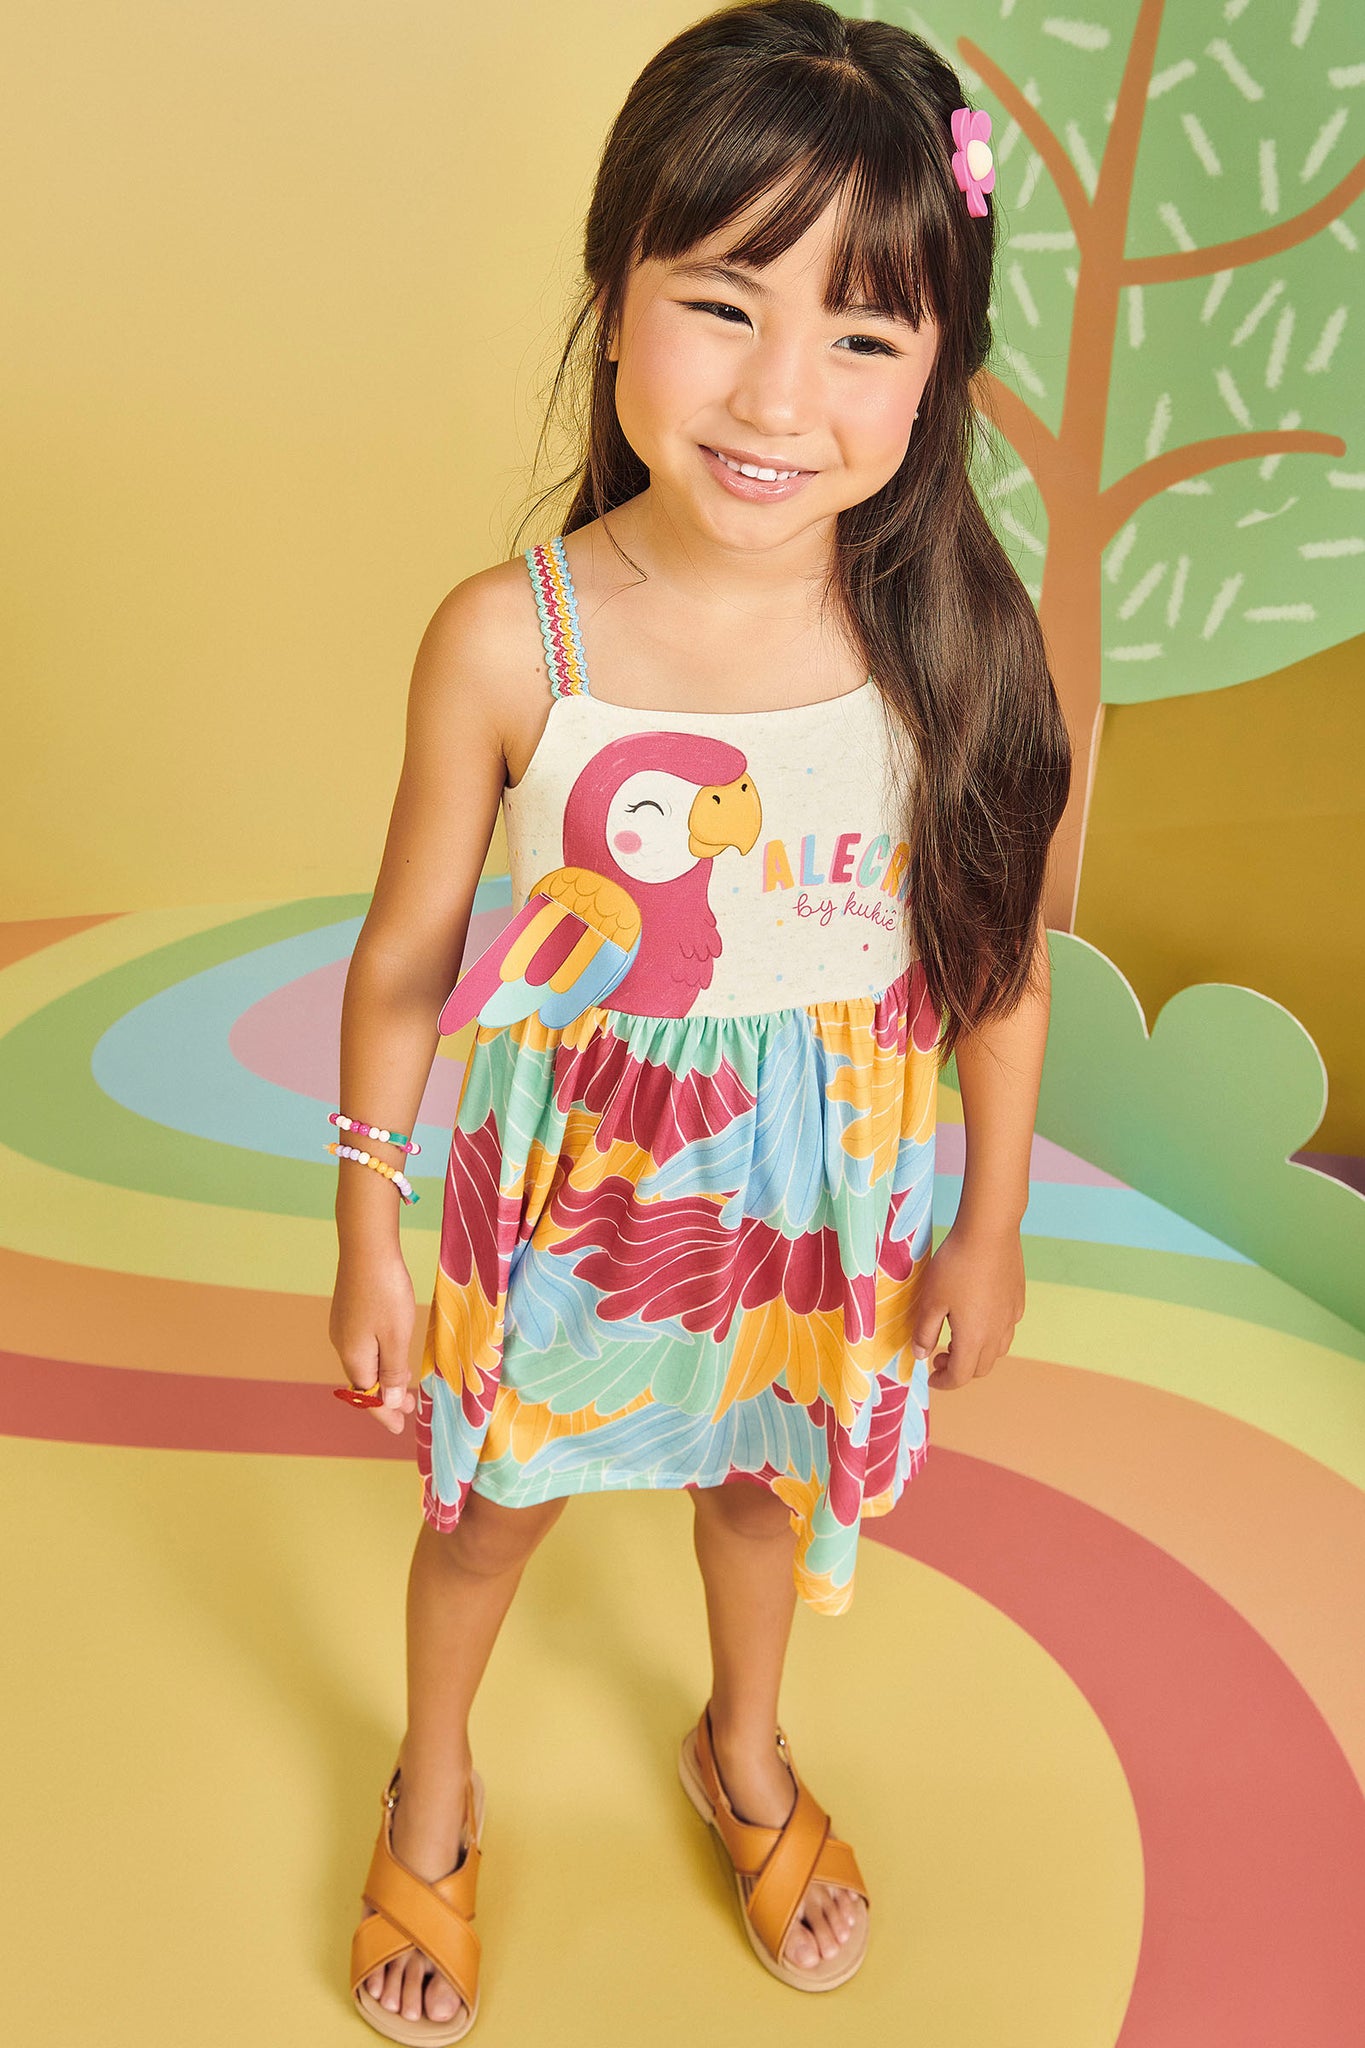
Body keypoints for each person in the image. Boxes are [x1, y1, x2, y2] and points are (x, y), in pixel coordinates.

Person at [328, 1, 1071, 2037]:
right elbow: (403, 957)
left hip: (819, 1206)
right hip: (574, 1197)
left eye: (862, 334)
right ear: (614, 296)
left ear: (939, 368)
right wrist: (365, 1218)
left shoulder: (953, 648)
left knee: (761, 1486)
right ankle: (433, 1784)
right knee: (489, 1515)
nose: (775, 395)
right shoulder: (515, 639)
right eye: (722, 303)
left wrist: (990, 1222)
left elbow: (993, 964)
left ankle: (740, 1747)